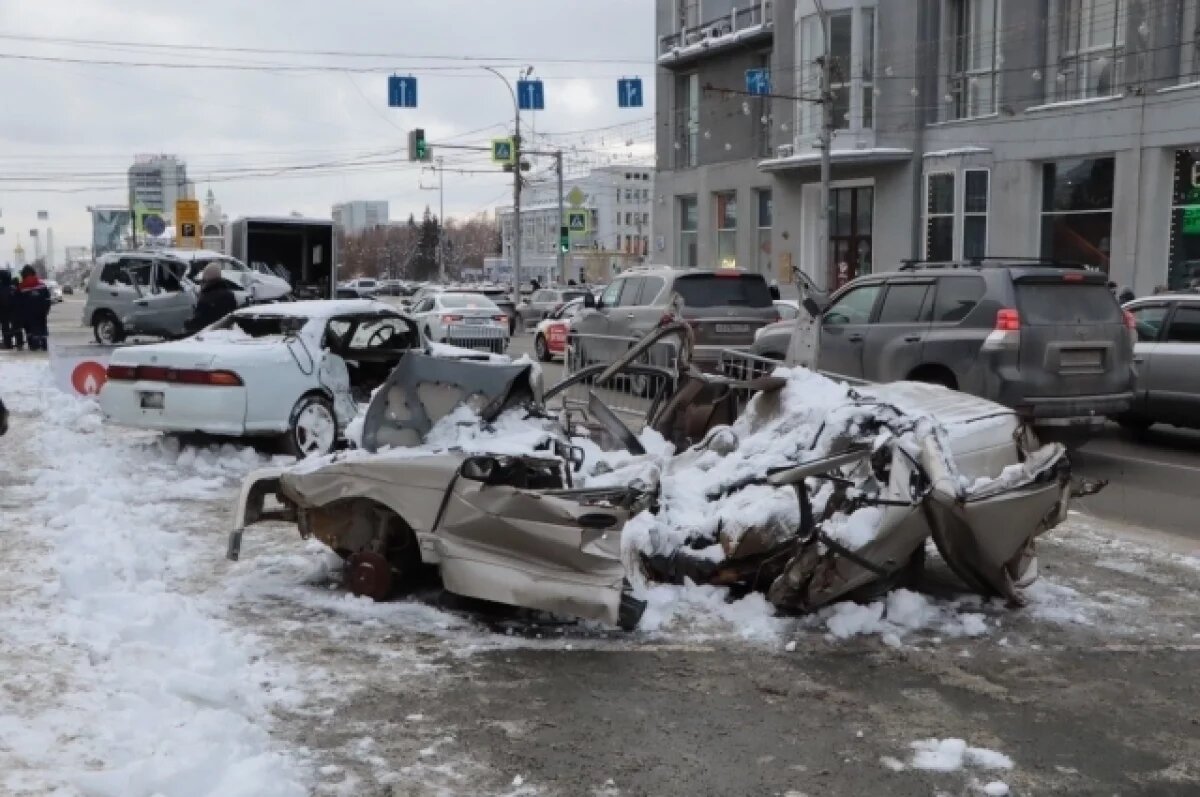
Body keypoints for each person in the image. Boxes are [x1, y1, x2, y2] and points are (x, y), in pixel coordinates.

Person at [185, 263, 238, 333]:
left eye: (203, 281)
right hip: (227, 335)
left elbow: (199, 322)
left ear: (207, 280)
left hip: (209, 337)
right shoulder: (230, 295)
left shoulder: (206, 298)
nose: (201, 285)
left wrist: (187, 323)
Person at [17, 266, 51, 351]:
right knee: (42, 328)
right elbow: (47, 299)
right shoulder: (42, 285)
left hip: (28, 314)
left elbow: (18, 302)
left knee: (30, 330)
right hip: (41, 312)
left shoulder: (21, 287)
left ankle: (33, 346)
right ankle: (44, 345)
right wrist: (46, 310)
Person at [0, 268, 23, 350]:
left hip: (4, 312)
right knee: (16, 327)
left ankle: (8, 344)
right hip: (15, 312)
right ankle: (19, 343)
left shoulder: (2, 288)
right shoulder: (14, 288)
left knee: (5, 328)